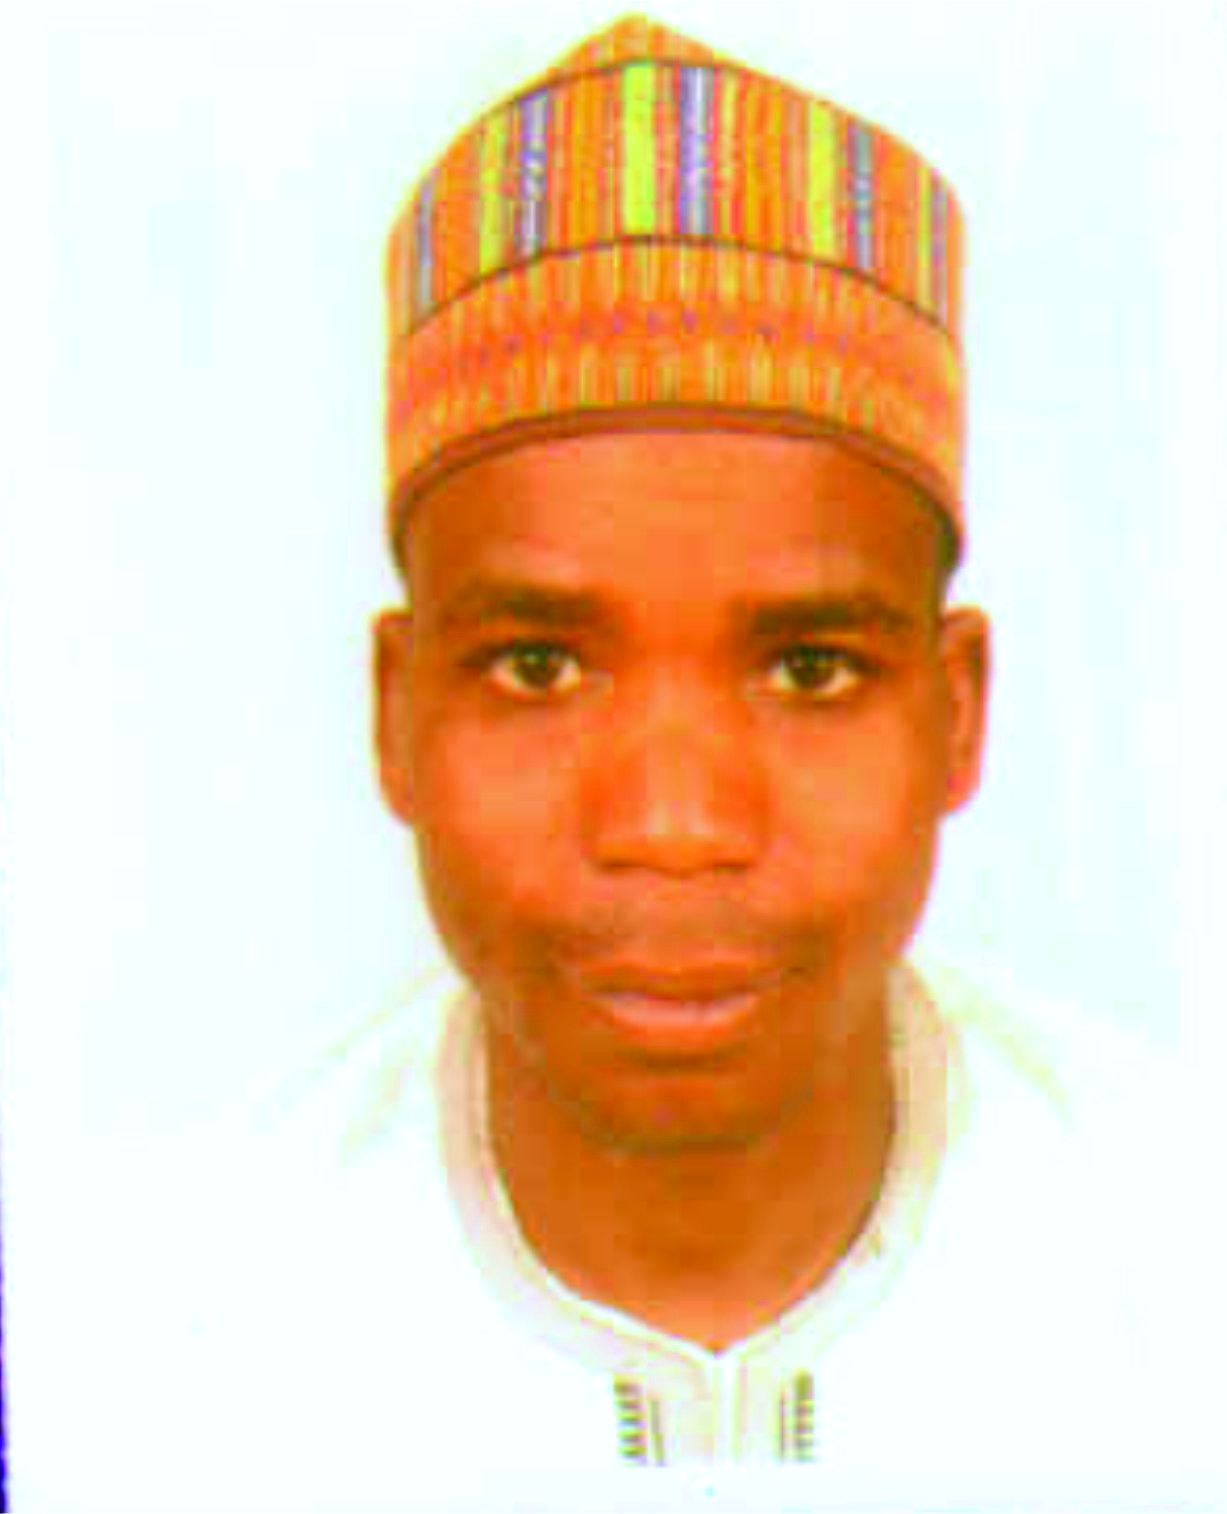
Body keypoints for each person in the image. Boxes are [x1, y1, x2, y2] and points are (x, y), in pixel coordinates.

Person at [33, 13, 1215, 1512]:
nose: (673, 821)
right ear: (395, 714)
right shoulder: (128, 1364)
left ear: (957, 713)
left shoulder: (1187, 1265)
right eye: (537, 665)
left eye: (809, 668)